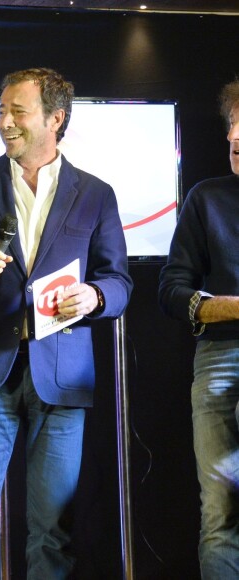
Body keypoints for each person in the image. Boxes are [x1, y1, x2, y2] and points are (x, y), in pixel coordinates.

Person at [0, 67, 133, 579]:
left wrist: (94, 295)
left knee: (53, 534)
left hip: (62, 381)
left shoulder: (95, 193)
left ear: (55, 118)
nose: (4, 122)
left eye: (18, 111)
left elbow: (120, 282)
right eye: (1, 111)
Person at [158, 79, 239, 579]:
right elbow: (171, 290)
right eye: (235, 141)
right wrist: (226, 307)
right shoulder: (206, 198)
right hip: (221, 356)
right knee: (221, 511)